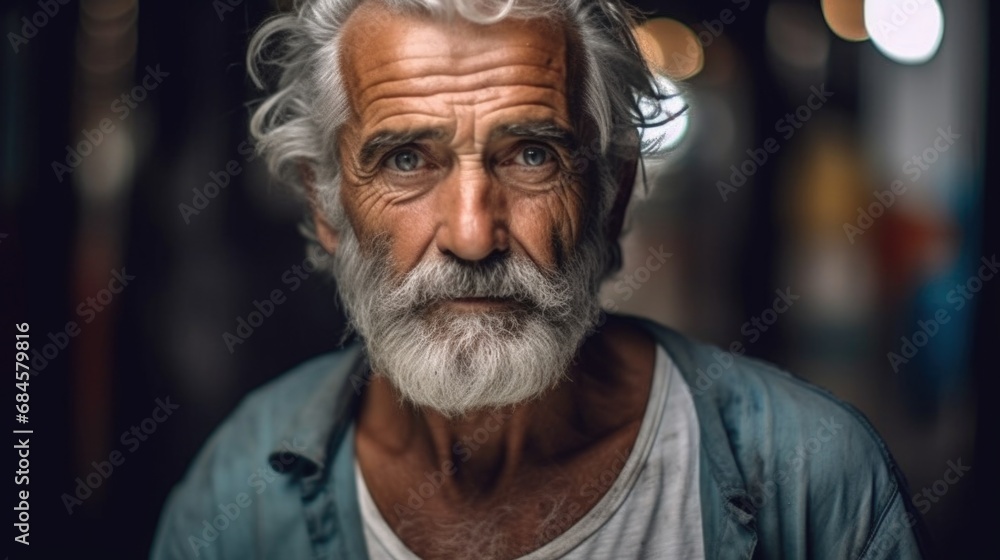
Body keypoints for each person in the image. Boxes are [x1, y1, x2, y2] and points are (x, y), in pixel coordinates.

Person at [151, 0, 931, 558]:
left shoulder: (812, 478)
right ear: (326, 205)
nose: (470, 234)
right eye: (406, 160)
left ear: (611, 192)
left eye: (531, 154)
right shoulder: (238, 490)